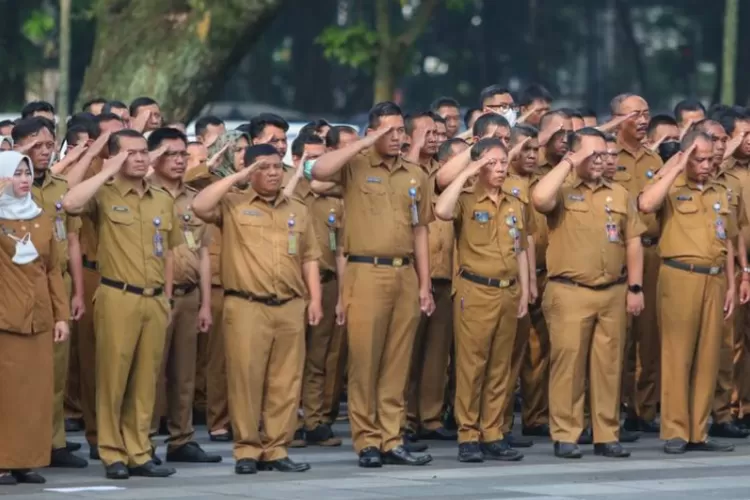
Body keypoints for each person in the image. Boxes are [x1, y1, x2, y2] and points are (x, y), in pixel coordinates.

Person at [311, 102, 435, 468]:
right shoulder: (356, 166)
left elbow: (421, 230)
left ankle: (392, 438)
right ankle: (366, 440)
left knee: (398, 362)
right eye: (388, 131)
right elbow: (317, 169)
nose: (396, 138)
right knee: (365, 360)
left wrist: (425, 283)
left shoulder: (415, 174)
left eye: (400, 131)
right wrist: (364, 144)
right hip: (365, 271)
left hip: (405, 272)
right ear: (373, 131)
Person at [192, 144, 322, 475]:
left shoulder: (298, 208)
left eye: (278, 166)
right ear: (251, 172)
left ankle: (277, 448)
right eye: (264, 167)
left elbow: (309, 257)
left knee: (285, 382)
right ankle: (247, 448)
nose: (274, 172)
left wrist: (316, 299)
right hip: (247, 304)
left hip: (290, 304)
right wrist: (238, 177)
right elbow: (200, 204)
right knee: (245, 379)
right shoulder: (233, 204)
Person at [62, 129, 182, 480]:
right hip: (118, 295)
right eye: (131, 152)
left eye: (144, 151)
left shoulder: (161, 197)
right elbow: (70, 202)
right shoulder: (104, 193)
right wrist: (106, 169)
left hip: (155, 298)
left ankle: (139, 451)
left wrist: (168, 296)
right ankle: (112, 451)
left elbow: (170, 252)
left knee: (147, 380)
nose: (141, 158)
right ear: (115, 157)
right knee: (113, 378)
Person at [532, 127, 646, 459]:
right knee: (568, 367)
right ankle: (566, 434)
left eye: (604, 154)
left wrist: (635, 288)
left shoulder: (619, 193)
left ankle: (606, 433)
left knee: (608, 367)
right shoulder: (562, 189)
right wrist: (569, 163)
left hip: (612, 291)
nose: (600, 161)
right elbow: (539, 199)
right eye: (592, 154)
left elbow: (633, 241)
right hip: (569, 291)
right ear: (575, 154)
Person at [639, 131, 738, 454]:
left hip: (715, 279)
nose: (707, 165)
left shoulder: (720, 190)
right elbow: (646, 203)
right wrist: (679, 163)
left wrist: (733, 285)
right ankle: (676, 431)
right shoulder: (672, 188)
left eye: (711, 159)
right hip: (680, 275)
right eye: (700, 158)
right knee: (677, 355)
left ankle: (699, 431)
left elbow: (728, 241)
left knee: (709, 358)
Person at [435, 137, 530, 463]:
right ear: (477, 165)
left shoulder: (514, 203)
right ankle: (468, 435)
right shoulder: (464, 199)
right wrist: (469, 170)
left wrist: (524, 290)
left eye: (504, 162)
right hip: (475, 291)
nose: (501, 168)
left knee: (499, 367)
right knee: (471, 366)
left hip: (508, 290)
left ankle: (493, 433)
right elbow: (441, 210)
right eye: (493, 162)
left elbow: (520, 250)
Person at [12, 117, 88, 468]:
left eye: (47, 145)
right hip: (10, 305)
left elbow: (61, 255)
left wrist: (69, 304)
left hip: (47, 299)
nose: (25, 179)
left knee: (45, 381)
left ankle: (40, 451)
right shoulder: (5, 204)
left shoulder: (50, 202)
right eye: (17, 172)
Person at [146, 128, 220, 463]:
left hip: (189, 295)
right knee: (151, 372)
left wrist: (205, 303)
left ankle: (182, 438)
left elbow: (204, 253)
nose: (179, 161)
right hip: (157, 294)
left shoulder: (194, 197)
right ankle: (143, 439)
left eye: (182, 155)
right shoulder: (145, 194)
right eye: (170, 154)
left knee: (185, 372)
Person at [0, 151, 70, 485]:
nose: (24, 179)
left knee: (35, 395)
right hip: (6, 320)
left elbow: (53, 270)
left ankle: (25, 460)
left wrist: (61, 316)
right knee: (6, 394)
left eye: (27, 172)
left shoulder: (41, 218)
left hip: (39, 319)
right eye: (16, 173)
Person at [611, 94, 664, 434]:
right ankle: (613, 408)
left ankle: (642, 411)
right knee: (617, 338)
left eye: (646, 113)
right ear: (617, 119)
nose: (643, 120)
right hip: (616, 254)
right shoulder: (605, 155)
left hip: (651, 252)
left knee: (649, 336)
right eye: (635, 115)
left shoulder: (655, 158)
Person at [402, 113, 456, 445]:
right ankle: (404, 419)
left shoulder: (443, 171)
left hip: (446, 273)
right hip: (408, 274)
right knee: (407, 351)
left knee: (438, 353)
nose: (434, 138)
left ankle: (430, 417)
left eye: (438, 133)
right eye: (427, 132)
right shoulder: (404, 172)